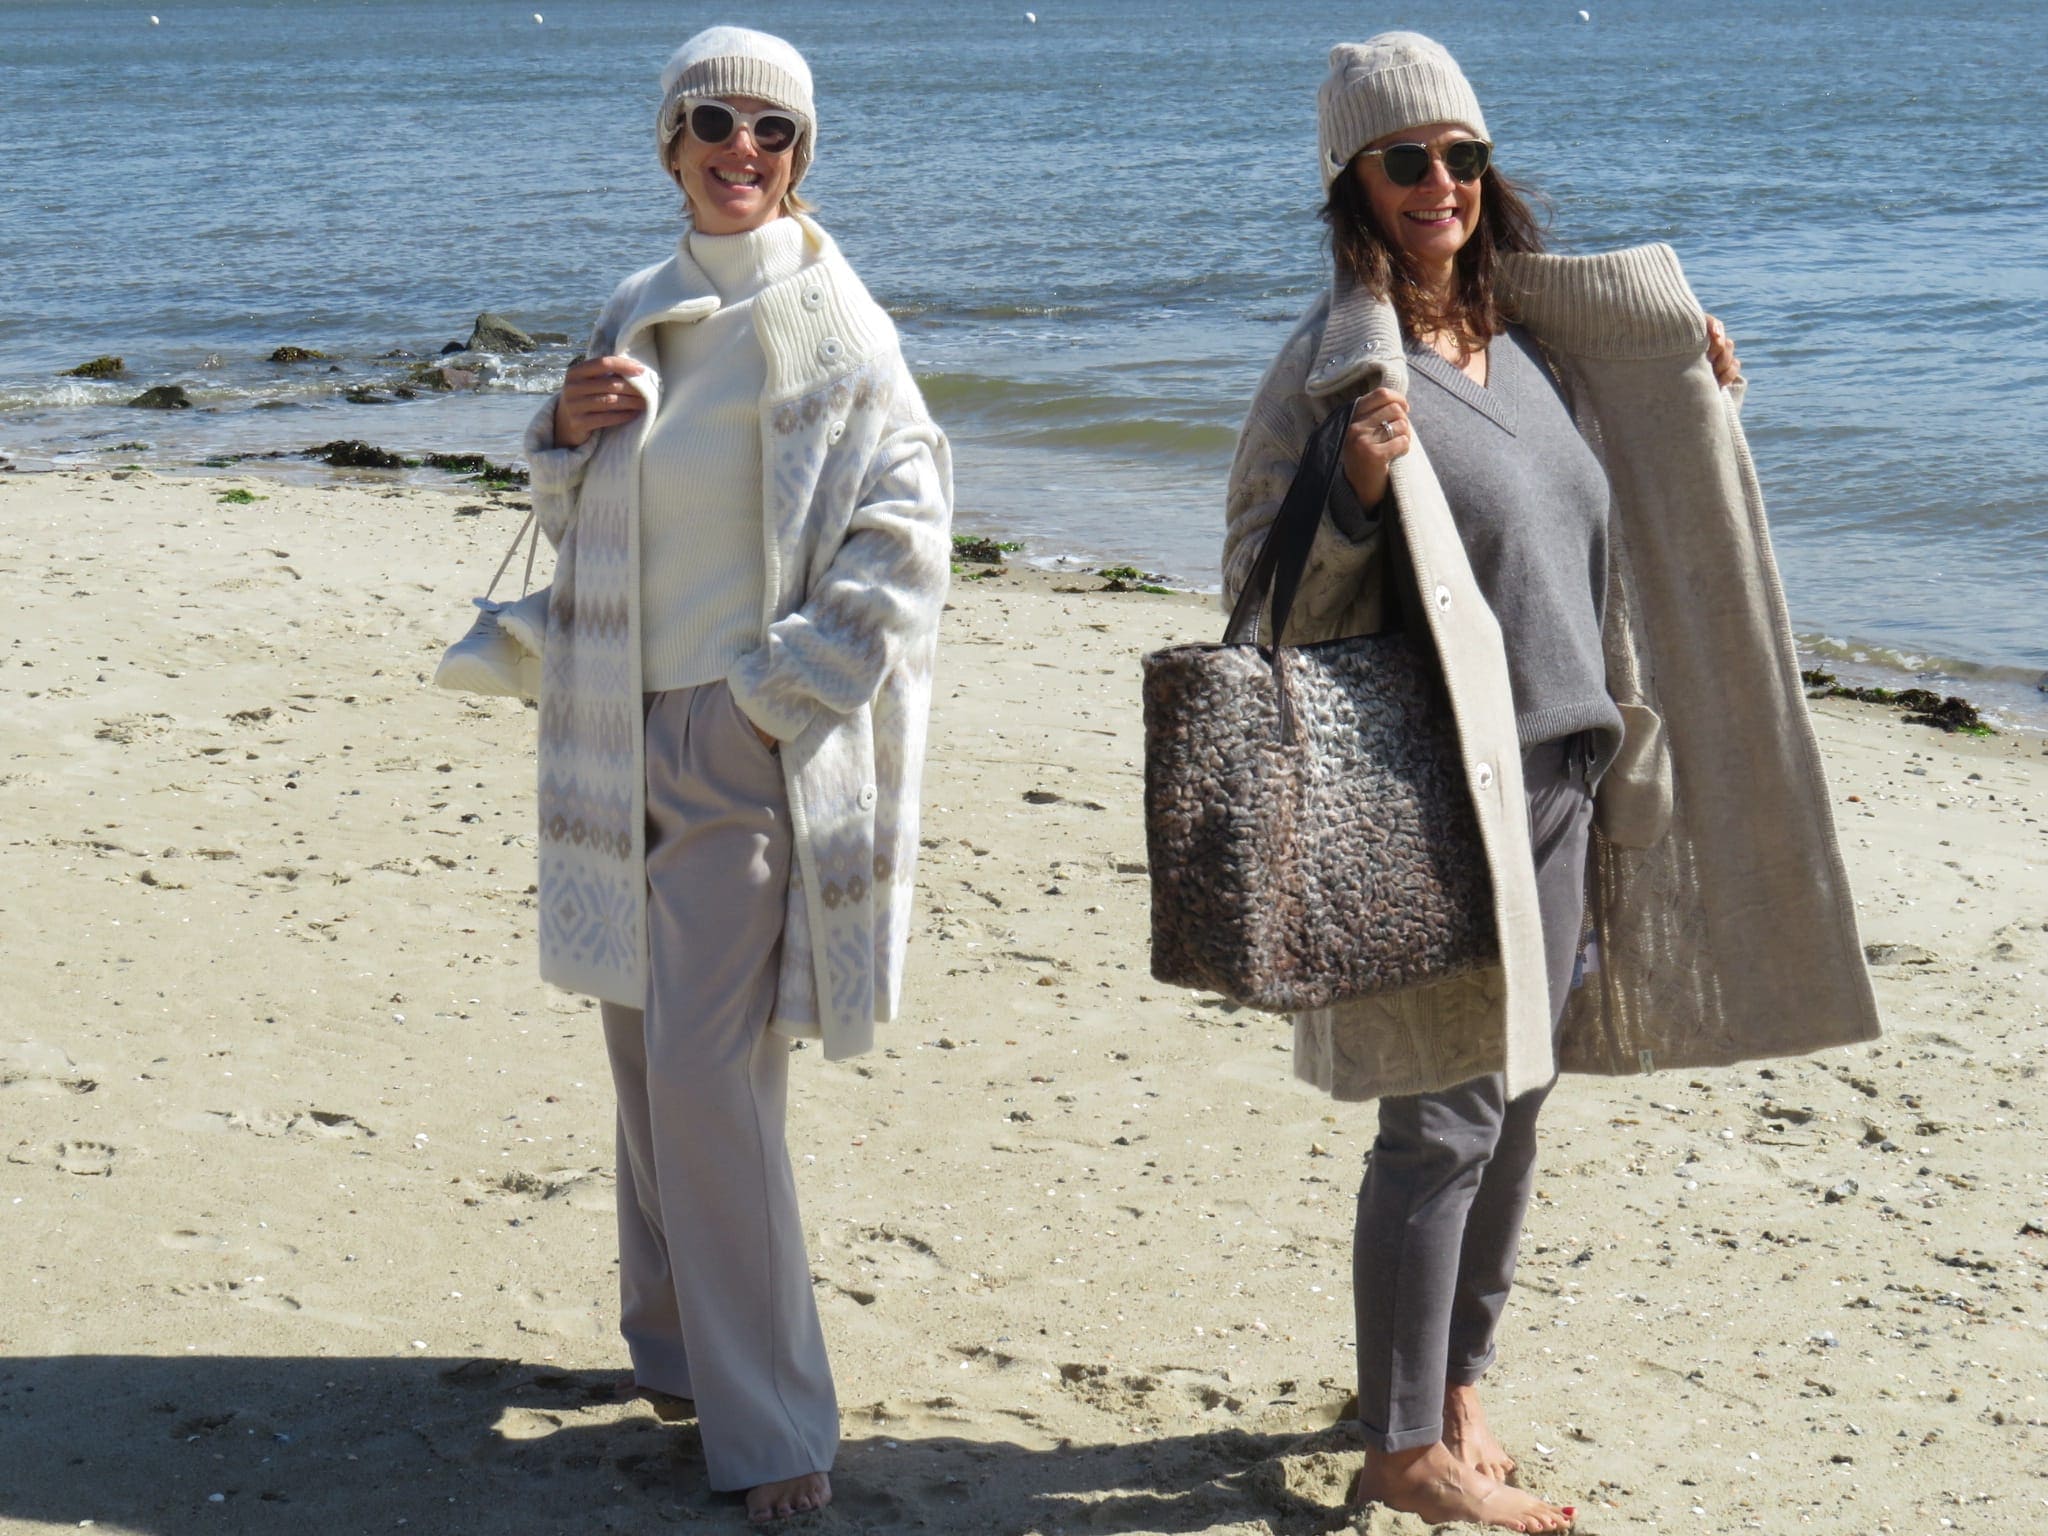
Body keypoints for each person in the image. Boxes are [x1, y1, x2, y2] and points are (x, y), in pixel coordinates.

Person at [1221, 33, 1879, 1533]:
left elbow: (1624, 489)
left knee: (1518, 1098)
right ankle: (1401, 1449)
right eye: (1404, 160)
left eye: (1462, 156)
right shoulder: (1336, 367)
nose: (1439, 184)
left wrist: (1691, 377)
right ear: (1351, 183)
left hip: (1569, 777)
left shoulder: (1532, 342)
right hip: (1436, 793)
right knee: (1442, 1116)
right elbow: (1258, 587)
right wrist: (1355, 489)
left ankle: (1455, 1384)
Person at [520, 25, 952, 1524]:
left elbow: (912, 532)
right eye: (715, 121)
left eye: (775, 130)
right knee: (642, 1052)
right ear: (671, 141)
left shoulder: (836, 324)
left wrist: (778, 697)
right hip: (605, 717)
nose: (744, 149)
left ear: (802, 155)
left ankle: (772, 1423)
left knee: (711, 1076)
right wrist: (559, 432)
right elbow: (574, 510)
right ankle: (677, 1347)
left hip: (739, 742)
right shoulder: (637, 304)